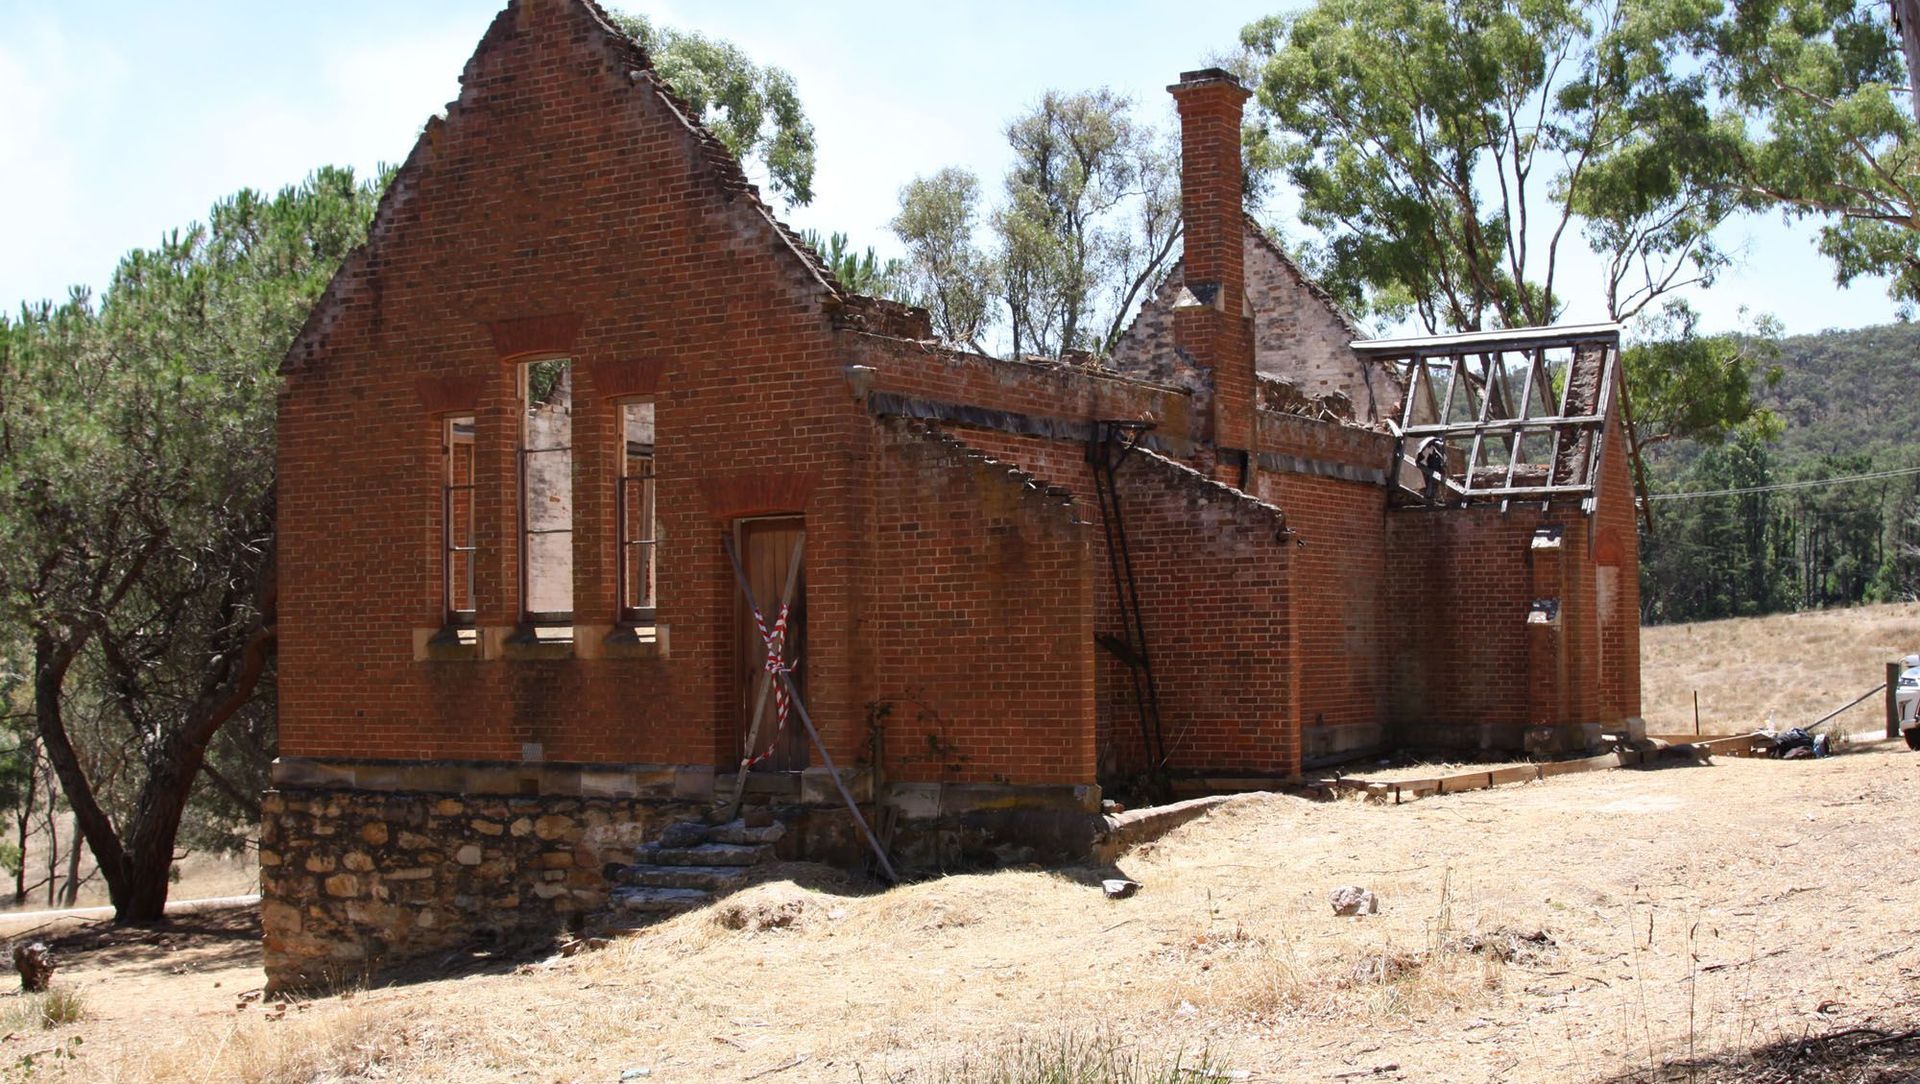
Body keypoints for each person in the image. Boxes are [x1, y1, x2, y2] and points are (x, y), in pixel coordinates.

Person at [1414, 435, 1449, 505]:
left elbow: (1442, 461)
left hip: (1436, 469)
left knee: (1434, 482)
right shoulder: (1434, 453)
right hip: (1432, 469)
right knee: (1431, 482)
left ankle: (1433, 496)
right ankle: (1431, 495)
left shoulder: (1437, 453)